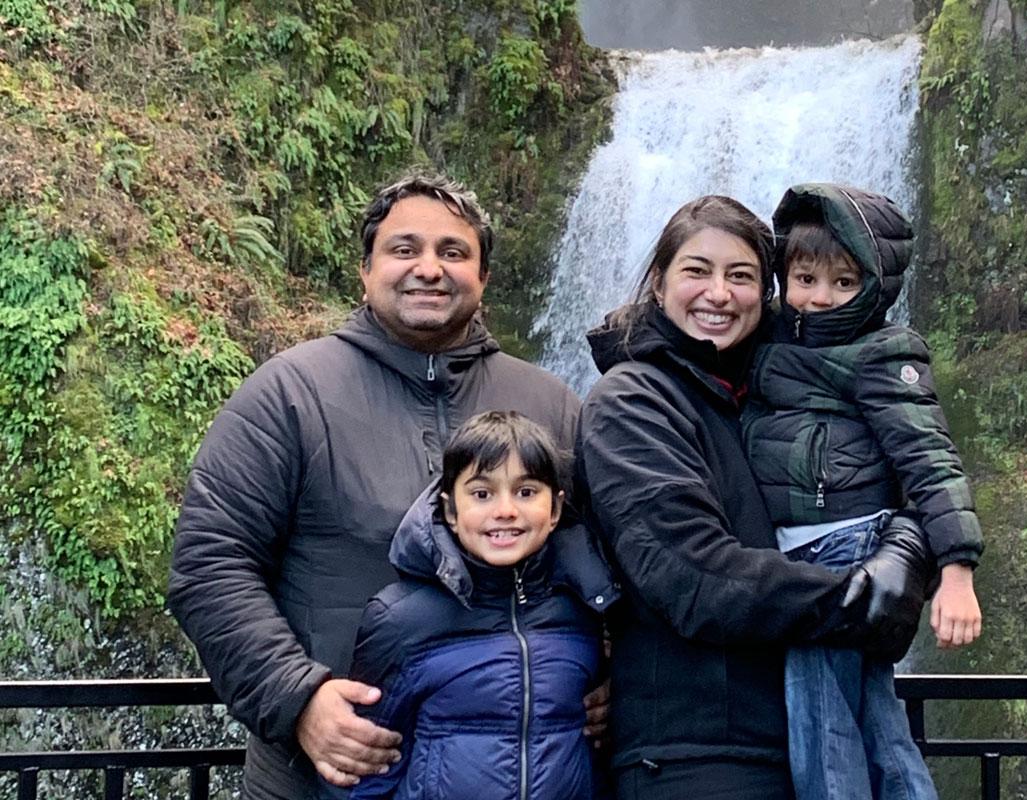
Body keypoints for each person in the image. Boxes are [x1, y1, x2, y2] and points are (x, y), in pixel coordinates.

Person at [168, 172, 602, 800]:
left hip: (521, 776)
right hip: (323, 774)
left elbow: (603, 558)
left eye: (453, 252)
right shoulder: (289, 394)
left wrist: (612, 672)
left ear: (482, 278)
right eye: (405, 249)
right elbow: (210, 565)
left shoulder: (551, 405)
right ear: (365, 270)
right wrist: (299, 698)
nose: (429, 268)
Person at [575, 195, 937, 799]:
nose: (718, 292)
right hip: (699, 759)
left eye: (740, 276)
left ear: (766, 294)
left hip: (814, 735)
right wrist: (862, 598)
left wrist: (906, 548)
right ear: (659, 282)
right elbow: (694, 577)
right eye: (697, 270)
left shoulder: (780, 392)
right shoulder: (631, 401)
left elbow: (905, 479)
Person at [742, 182, 984, 800]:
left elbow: (930, 459)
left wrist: (957, 572)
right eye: (805, 279)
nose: (821, 298)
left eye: (844, 283)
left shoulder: (883, 352)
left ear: (873, 288)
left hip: (842, 557)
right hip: (805, 552)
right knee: (877, 724)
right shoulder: (767, 340)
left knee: (821, 729)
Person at [330, 411, 615, 800]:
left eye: (526, 492)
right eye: (482, 494)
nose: (505, 511)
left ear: (555, 510)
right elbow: (361, 766)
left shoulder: (587, 607)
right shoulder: (401, 619)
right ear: (450, 510)